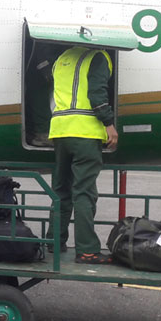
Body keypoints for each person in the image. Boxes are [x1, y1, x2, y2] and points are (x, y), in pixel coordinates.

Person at [49, 46, 119, 264]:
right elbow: (97, 93)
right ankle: (87, 250)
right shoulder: (98, 56)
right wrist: (108, 123)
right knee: (84, 192)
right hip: (85, 133)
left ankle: (54, 241)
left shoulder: (62, 57)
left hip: (60, 131)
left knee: (60, 189)